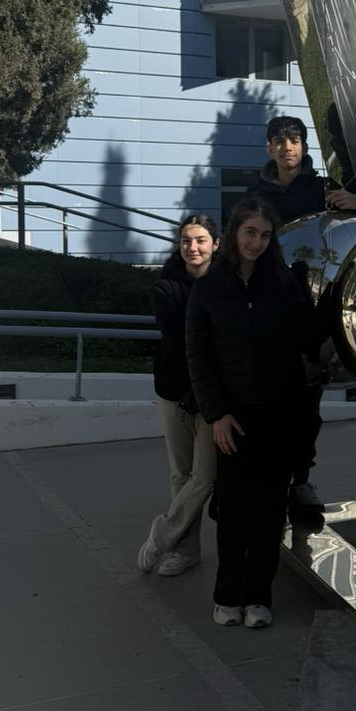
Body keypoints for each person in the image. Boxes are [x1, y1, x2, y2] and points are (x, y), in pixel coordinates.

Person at [185, 195, 318, 629]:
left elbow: (306, 339)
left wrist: (313, 296)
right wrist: (216, 414)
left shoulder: (282, 283)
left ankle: (259, 596)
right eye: (249, 232)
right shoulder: (209, 287)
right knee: (233, 513)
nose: (256, 242)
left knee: (269, 512)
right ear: (233, 233)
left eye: (264, 235)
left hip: (278, 416)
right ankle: (227, 594)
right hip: (233, 419)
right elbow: (199, 357)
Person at [253, 114, 356, 514]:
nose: (287, 146)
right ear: (269, 147)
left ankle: (301, 482)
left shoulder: (324, 188)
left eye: (294, 139)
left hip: (311, 316)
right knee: (266, 405)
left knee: (307, 408)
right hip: (268, 314)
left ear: (304, 146)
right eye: (279, 140)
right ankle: (267, 483)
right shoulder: (255, 194)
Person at [138, 214, 221, 578]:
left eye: (201, 240)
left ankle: (163, 534)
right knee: (180, 474)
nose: (193, 247)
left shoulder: (228, 283)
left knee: (204, 476)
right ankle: (186, 551)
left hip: (214, 396)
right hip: (174, 390)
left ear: (216, 244)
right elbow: (186, 339)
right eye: (187, 240)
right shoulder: (167, 287)